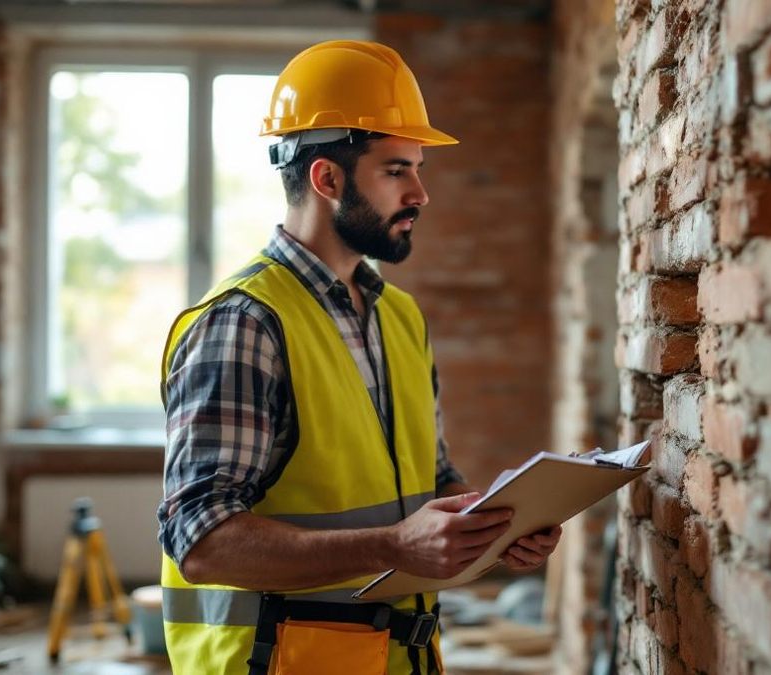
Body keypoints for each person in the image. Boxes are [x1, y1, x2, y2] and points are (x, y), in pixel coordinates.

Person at [156, 40, 561, 674]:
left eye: (418, 168)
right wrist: (397, 546)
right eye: (397, 169)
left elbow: (431, 478)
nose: (421, 193)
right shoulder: (243, 323)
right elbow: (201, 541)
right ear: (327, 179)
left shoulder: (399, 315)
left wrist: (493, 528)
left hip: (400, 659)